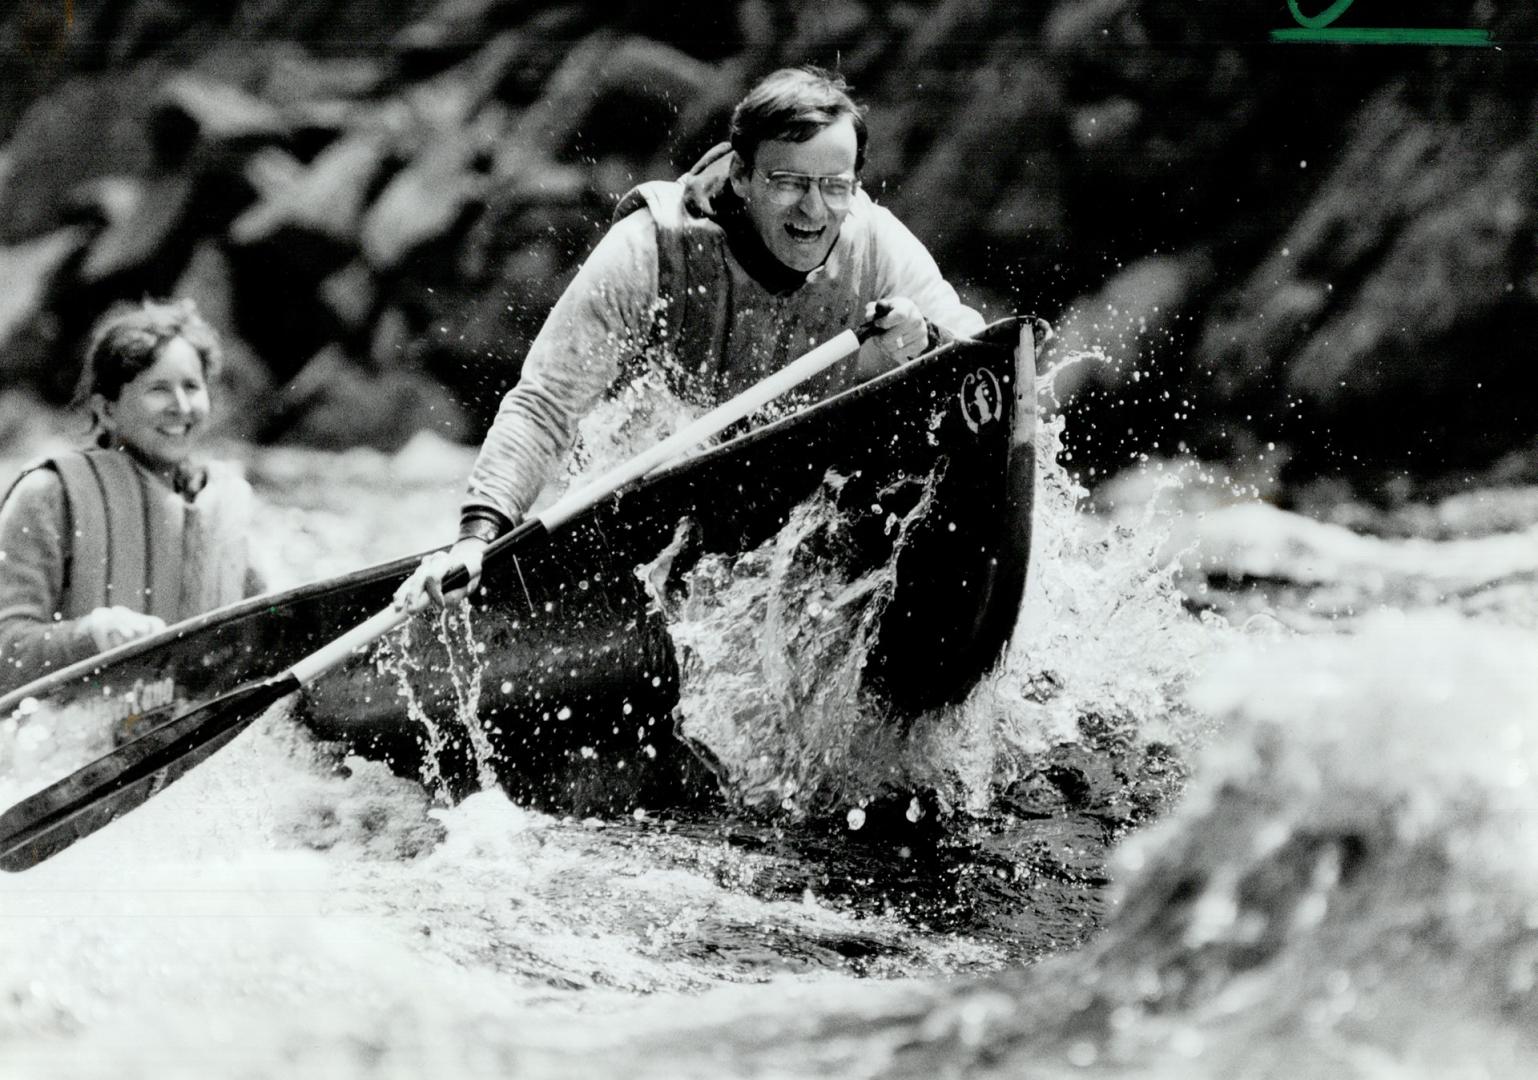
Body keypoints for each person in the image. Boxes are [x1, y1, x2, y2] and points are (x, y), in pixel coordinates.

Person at [396, 65, 985, 611]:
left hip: (802, 500)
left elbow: (980, 358)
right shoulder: (651, 246)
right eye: (788, 182)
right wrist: (478, 536)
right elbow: (545, 406)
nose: (815, 208)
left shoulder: (873, 239)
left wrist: (926, 339)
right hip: (661, 500)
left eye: (836, 185)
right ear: (742, 175)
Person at [0, 298, 265, 695]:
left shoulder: (224, 503)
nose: (181, 407)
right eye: (158, 389)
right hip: (67, 733)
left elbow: (274, 628)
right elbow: (6, 653)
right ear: (106, 410)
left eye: (192, 387)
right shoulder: (49, 495)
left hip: (190, 722)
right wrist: (93, 634)